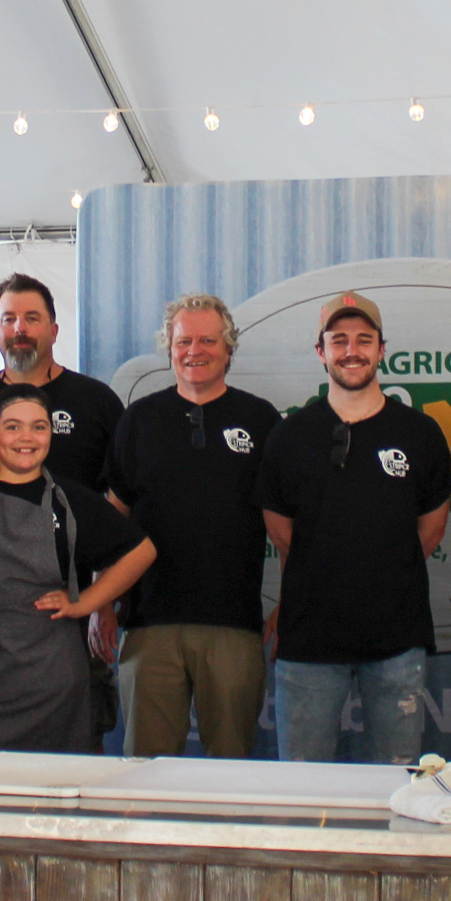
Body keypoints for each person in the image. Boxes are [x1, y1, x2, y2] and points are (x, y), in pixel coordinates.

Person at [257, 292, 451, 763]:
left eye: (364, 340)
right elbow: (283, 533)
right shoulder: (290, 433)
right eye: (338, 340)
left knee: (397, 777)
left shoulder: (420, 433)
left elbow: (429, 530)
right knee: (302, 783)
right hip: (308, 638)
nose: (352, 350)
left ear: (382, 350)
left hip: (396, 638)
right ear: (321, 352)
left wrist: (381, 566)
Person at [0, 384, 155, 752]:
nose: (26, 437)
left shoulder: (73, 501)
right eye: (12, 427)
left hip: (54, 694)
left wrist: (84, 602)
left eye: (39, 427)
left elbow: (142, 551)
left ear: (49, 436)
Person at [104, 294, 281, 757]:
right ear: (169, 348)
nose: (194, 350)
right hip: (148, 625)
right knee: (145, 770)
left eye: (207, 340)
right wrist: (101, 601)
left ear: (228, 348)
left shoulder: (260, 420)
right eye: (183, 341)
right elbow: (113, 520)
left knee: (231, 767)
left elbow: (283, 524)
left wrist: (289, 602)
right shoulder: (139, 419)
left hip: (234, 625)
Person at [0, 274, 122, 490]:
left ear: (54, 332)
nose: (20, 329)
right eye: (8, 319)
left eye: (32, 318)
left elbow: (123, 492)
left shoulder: (98, 402)